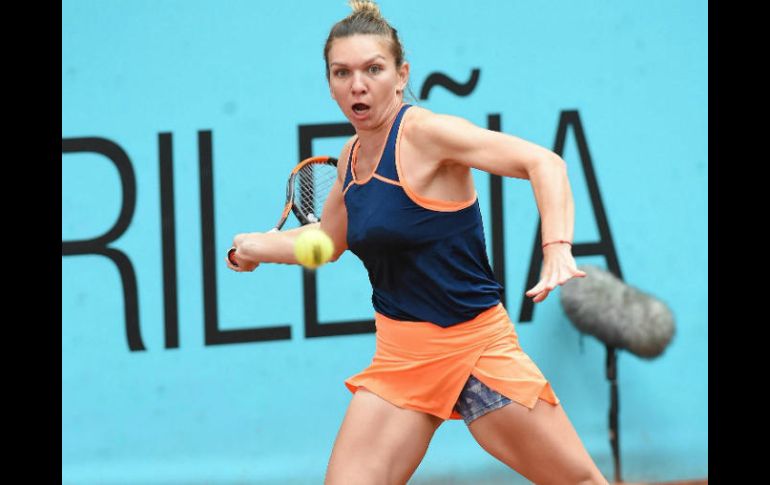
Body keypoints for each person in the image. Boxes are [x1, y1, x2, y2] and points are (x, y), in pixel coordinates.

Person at [227, 1, 608, 484]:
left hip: (476, 348)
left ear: (401, 75)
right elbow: (327, 243)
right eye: (341, 72)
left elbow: (545, 164)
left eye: (373, 69)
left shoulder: (429, 134)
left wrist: (557, 248)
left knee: (578, 482)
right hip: (401, 357)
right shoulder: (351, 157)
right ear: (329, 82)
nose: (357, 85)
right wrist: (257, 248)